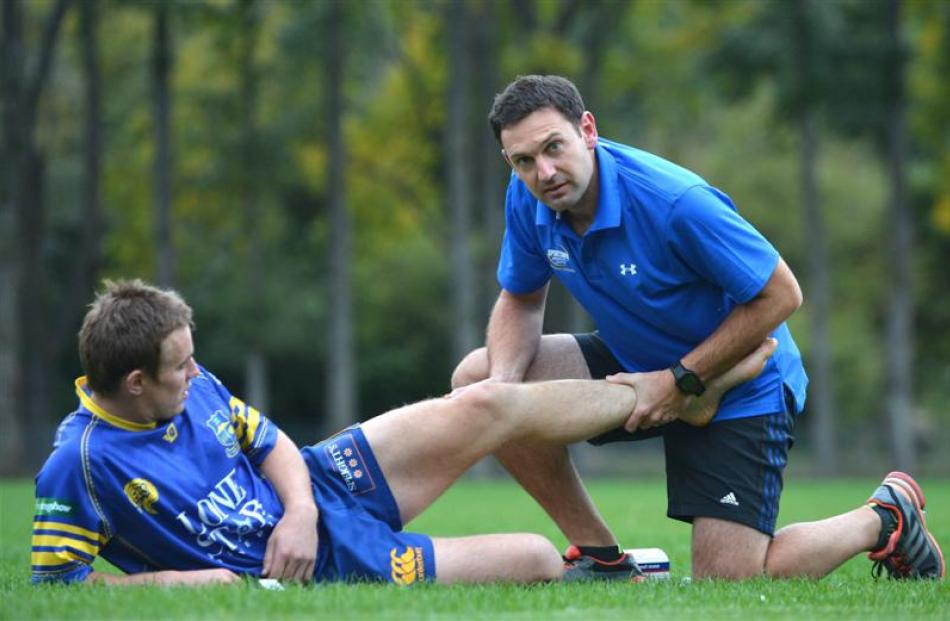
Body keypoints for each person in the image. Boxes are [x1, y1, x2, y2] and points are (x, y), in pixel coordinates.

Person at [452, 74, 944, 581]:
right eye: (524, 161)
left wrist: (680, 381)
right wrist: (505, 394)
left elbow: (782, 294)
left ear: (588, 130)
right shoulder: (527, 195)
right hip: (637, 360)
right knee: (480, 384)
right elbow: (522, 297)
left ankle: (883, 519)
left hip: (742, 381)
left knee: (729, 579)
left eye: (554, 147)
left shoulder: (675, 202)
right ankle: (601, 557)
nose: (544, 171)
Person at [31, 279, 775, 587]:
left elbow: (271, 445)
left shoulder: (194, 385)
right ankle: (678, 413)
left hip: (319, 485)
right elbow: (61, 592)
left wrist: (297, 507)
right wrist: (209, 582)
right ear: (134, 384)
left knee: (486, 399)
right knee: (538, 560)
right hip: (324, 560)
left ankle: (682, 391)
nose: (196, 375)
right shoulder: (80, 464)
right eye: (179, 369)